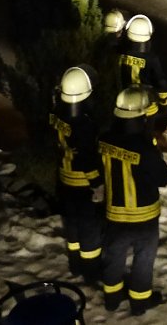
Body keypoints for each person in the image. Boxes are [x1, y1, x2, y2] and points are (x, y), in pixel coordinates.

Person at [98, 85, 167, 316]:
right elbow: (163, 177)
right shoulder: (144, 148)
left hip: (114, 216)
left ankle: (111, 299)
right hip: (144, 219)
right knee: (143, 261)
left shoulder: (104, 139)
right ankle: (139, 303)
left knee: (113, 258)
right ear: (142, 115)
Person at [49, 64, 105, 282]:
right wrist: (97, 184)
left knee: (72, 228)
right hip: (83, 185)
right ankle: (91, 272)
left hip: (65, 180)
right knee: (89, 232)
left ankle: (75, 265)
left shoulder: (56, 114)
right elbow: (86, 157)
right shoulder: (83, 123)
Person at [117, 14, 167, 131]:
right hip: (148, 105)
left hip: (124, 103)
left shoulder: (120, 53)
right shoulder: (152, 58)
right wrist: (164, 103)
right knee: (147, 135)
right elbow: (161, 82)